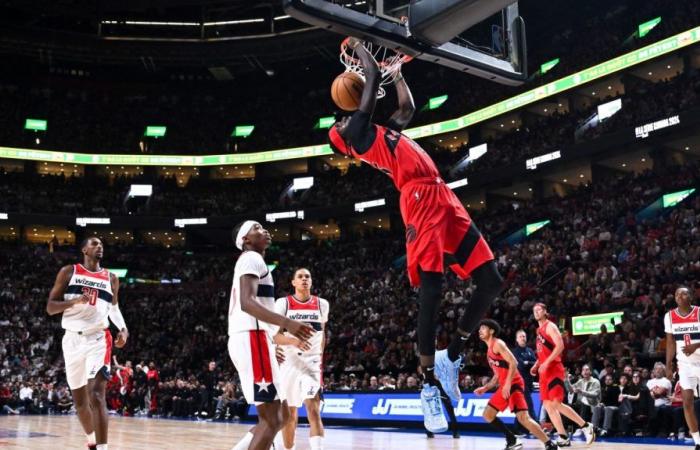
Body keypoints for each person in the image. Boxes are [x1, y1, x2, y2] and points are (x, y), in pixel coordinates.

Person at [327, 37, 503, 431]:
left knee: (491, 280)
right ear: (344, 138)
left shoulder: (382, 133)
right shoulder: (355, 134)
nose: (339, 120)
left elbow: (407, 108)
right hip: (419, 199)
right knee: (432, 290)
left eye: (340, 117)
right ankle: (427, 387)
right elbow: (369, 78)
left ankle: (451, 354)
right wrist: (359, 48)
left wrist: (400, 75)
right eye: (338, 122)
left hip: (442, 193)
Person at [227, 220, 314, 450]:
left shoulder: (254, 261)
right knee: (272, 418)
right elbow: (247, 303)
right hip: (251, 337)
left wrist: (271, 339)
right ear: (245, 240)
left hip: (255, 338)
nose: (263, 230)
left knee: (282, 415)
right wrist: (287, 323)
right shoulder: (251, 258)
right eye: (256, 228)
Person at [46, 237, 128, 450]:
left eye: (102, 244)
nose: (100, 246)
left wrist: (123, 329)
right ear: (84, 249)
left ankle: (103, 448)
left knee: (96, 395)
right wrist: (73, 301)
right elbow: (51, 307)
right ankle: (91, 440)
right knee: (80, 402)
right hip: (72, 339)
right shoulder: (69, 272)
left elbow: (114, 308)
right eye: (94, 244)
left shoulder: (111, 278)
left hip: (98, 338)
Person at [473, 319, 559, 450]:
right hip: (505, 386)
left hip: (514, 383)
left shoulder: (498, 344)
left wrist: (507, 384)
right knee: (487, 414)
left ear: (491, 331)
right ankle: (512, 439)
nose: (480, 330)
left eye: (483, 328)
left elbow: (514, 362)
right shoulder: (489, 352)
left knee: (523, 417)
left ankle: (550, 444)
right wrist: (485, 388)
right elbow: (497, 375)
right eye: (480, 328)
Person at [273, 268, 330, 450]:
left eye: (308, 276)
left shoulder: (322, 304)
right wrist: (293, 341)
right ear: (293, 282)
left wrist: (319, 358)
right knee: (290, 414)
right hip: (288, 362)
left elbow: (323, 334)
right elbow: (274, 336)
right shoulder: (283, 303)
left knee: (313, 410)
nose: (304, 279)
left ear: (311, 282)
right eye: (300, 276)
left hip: (311, 364)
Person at [531, 303, 595, 446]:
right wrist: (537, 364)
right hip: (544, 371)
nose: (536, 312)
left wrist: (546, 362)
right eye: (534, 310)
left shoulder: (550, 326)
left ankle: (585, 426)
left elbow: (560, 346)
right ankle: (563, 437)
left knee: (556, 403)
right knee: (548, 405)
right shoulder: (538, 330)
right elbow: (543, 351)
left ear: (545, 311)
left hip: (554, 369)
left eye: (539, 309)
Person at [665, 286, 700, 449]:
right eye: (677, 293)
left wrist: (696, 345)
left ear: (691, 297)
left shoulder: (699, 312)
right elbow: (670, 342)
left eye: (684, 293)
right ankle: (698, 441)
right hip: (684, 364)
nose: (679, 295)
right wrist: (668, 365)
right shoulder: (670, 316)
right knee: (687, 403)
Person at [513, 329, 539, 430]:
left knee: (523, 407)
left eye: (524, 336)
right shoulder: (515, 352)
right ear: (517, 339)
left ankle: (517, 428)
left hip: (529, 381)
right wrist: (530, 364)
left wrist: (528, 363)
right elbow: (521, 366)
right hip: (520, 382)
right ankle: (538, 427)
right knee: (529, 404)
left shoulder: (530, 351)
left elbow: (536, 363)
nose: (523, 338)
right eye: (520, 337)